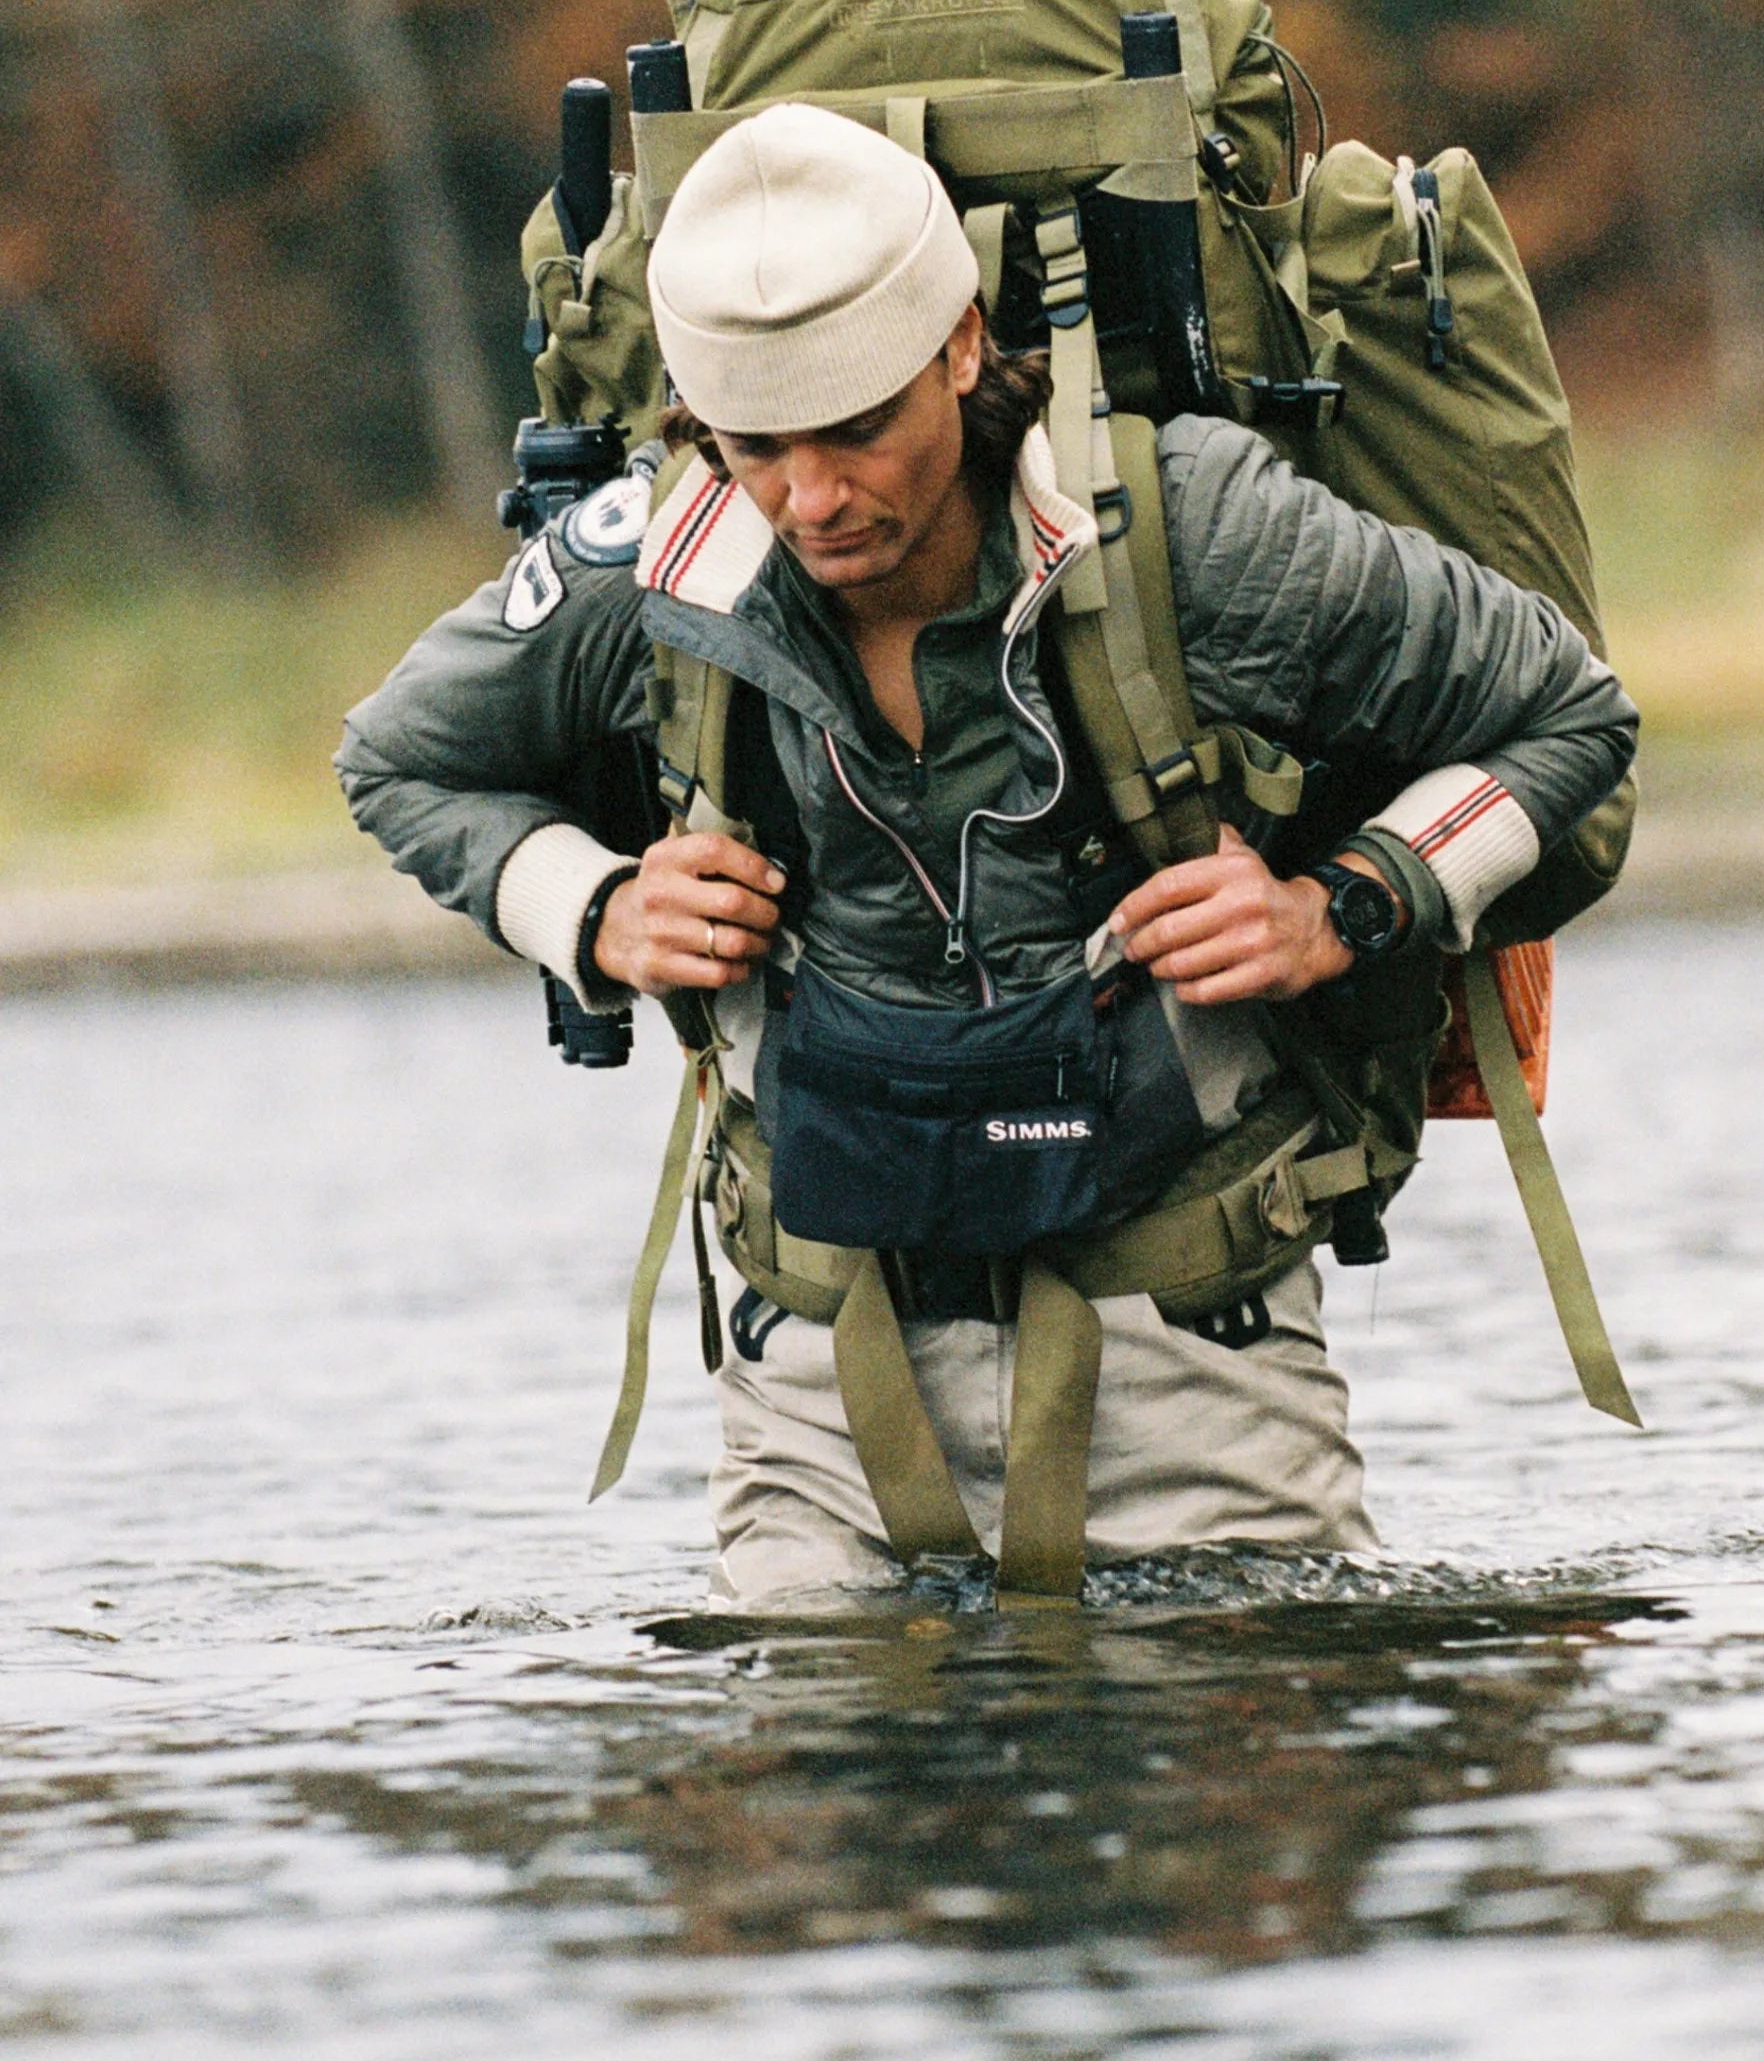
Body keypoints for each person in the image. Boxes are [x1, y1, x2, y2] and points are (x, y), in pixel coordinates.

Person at [338, 105, 1637, 1608]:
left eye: (855, 430)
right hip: (812, 1363)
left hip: (1189, 1339)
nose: (811, 499)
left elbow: (1561, 714)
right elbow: (397, 756)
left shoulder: (1192, 528)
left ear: (961, 345)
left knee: (1247, 1791)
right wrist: (597, 904)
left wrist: (1341, 904)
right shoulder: (640, 562)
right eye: (754, 446)